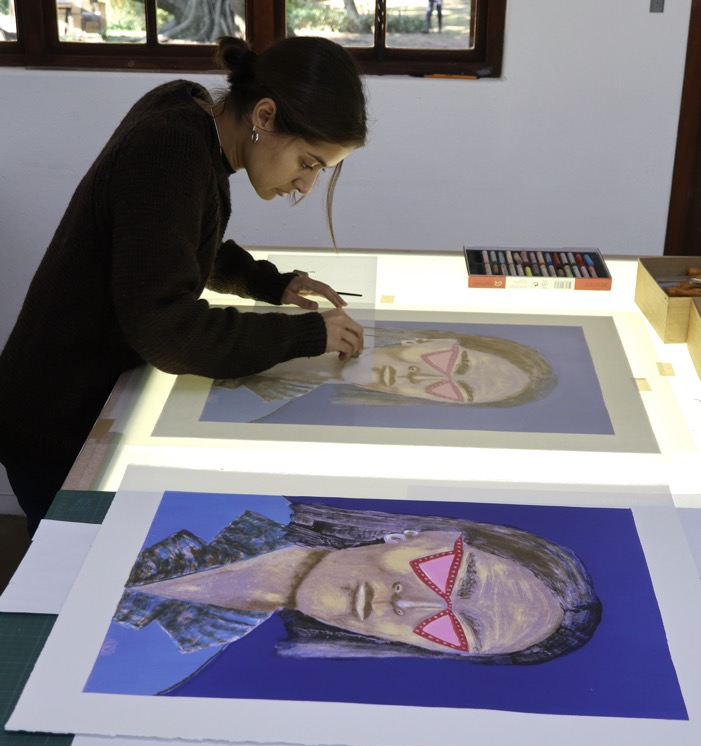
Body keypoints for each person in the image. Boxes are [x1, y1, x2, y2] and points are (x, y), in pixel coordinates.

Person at [0, 36, 367, 535]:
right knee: (71, 584)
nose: (305, 186)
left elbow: (174, 240)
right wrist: (307, 337)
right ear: (263, 116)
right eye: (307, 163)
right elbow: (166, 329)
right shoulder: (172, 146)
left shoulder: (186, 111)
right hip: (59, 420)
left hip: (81, 403)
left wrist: (271, 284)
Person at [115, 500, 601, 666]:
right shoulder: (226, 501)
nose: (410, 604)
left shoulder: (190, 652)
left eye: (452, 631)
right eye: (449, 574)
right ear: (428, 535)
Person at [214, 326, 556, 409]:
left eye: (457, 390)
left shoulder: (264, 406)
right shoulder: (300, 314)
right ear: (432, 341)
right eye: (455, 361)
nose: (422, 376)